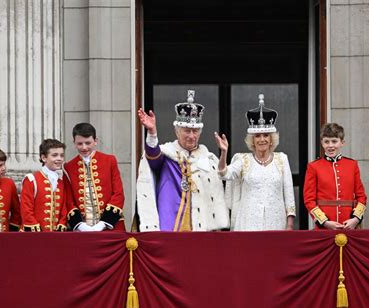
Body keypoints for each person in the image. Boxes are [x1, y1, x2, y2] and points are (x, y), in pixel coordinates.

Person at [136, 90, 229, 231]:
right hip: (171, 225)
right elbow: (153, 156)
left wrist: (223, 153)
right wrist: (152, 133)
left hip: (202, 229)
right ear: (177, 131)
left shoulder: (209, 159)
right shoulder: (167, 155)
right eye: (187, 131)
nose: (191, 136)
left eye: (195, 131)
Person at [215, 94, 296, 231]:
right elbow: (224, 174)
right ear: (252, 140)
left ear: (272, 139)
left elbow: (289, 194)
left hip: (275, 222)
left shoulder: (281, 159)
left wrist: (289, 225)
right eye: (257, 136)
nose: (262, 139)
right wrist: (224, 153)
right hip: (248, 223)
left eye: (266, 135)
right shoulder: (243, 160)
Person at [303, 123, 367, 230]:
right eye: (326, 142)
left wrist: (355, 219)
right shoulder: (314, 167)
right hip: (325, 226)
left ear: (342, 143)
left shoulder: (352, 165)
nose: (330, 145)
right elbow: (309, 200)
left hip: (349, 224)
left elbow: (361, 196)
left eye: (334, 141)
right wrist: (324, 222)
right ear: (322, 143)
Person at [63, 123, 125, 232]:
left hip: (111, 226)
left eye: (88, 143)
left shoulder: (110, 160)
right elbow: (69, 200)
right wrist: (80, 225)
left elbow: (118, 194)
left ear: (95, 141)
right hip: (82, 229)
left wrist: (103, 223)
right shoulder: (68, 167)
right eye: (79, 143)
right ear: (74, 143)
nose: (84, 147)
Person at [20, 139, 68, 232]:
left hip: (54, 236)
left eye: (61, 155)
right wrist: (34, 226)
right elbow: (26, 208)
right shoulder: (31, 179)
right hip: (34, 235)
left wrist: (62, 223)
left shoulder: (61, 182)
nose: (59, 158)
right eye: (54, 155)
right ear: (43, 158)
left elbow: (64, 208)